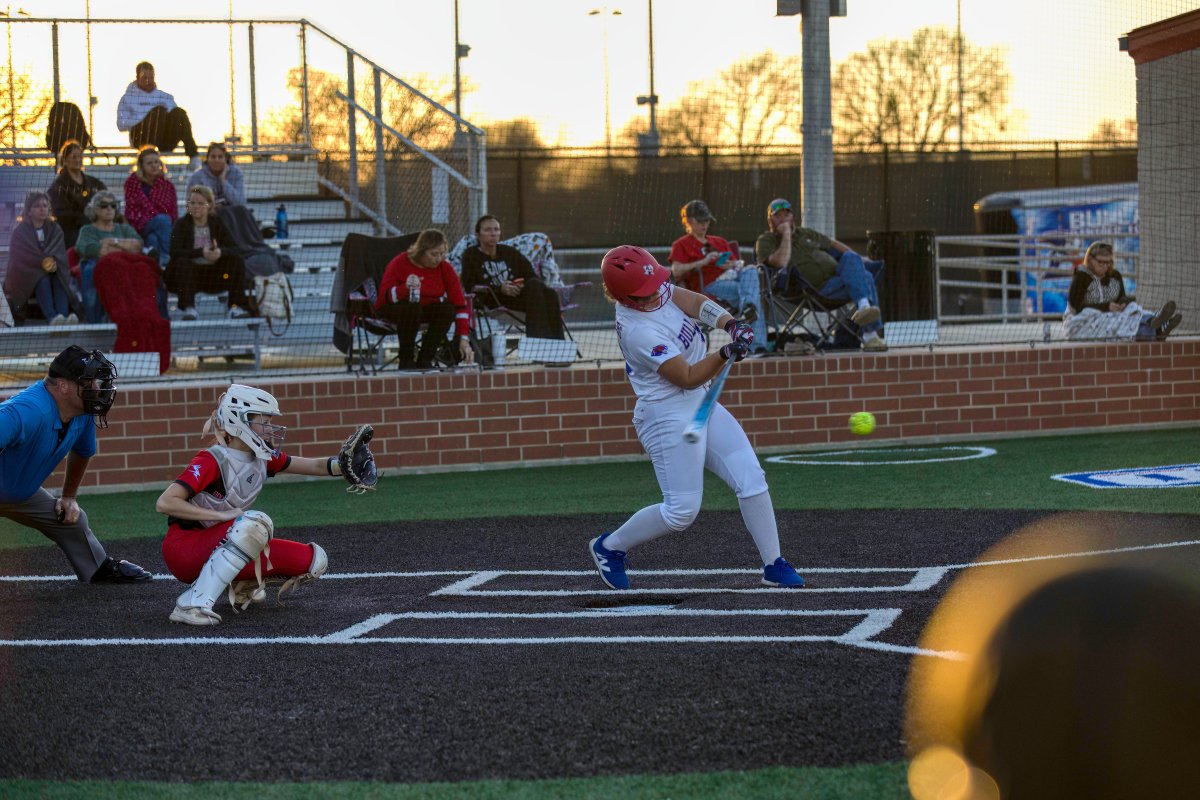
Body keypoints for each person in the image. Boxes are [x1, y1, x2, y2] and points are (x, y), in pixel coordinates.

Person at [588, 245, 805, 591]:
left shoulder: (650, 288)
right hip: (666, 414)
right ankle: (609, 547)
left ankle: (774, 564)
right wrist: (725, 352)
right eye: (645, 294)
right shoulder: (637, 330)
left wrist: (730, 324)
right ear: (624, 297)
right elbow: (686, 376)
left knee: (750, 477)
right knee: (681, 512)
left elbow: (689, 300)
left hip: (699, 400)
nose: (655, 294)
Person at [155, 384, 368, 625]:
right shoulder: (212, 460)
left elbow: (314, 465)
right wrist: (223, 516)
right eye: (264, 421)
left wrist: (344, 465)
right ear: (239, 420)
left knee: (314, 561)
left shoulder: (262, 456)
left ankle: (240, 583)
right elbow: (165, 502)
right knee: (255, 523)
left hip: (218, 542)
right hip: (184, 549)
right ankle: (191, 604)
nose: (270, 428)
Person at [0, 346, 152, 584]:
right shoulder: (26, 411)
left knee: (72, 519)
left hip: (18, 493)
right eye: (89, 381)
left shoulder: (82, 412)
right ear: (63, 386)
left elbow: (82, 452)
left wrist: (69, 496)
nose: (98, 388)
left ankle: (98, 568)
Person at [755, 197, 887, 352]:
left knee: (852, 257)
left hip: (839, 277)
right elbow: (781, 262)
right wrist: (786, 235)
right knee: (867, 278)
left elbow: (832, 243)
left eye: (786, 214)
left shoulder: (805, 233)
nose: (783, 219)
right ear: (770, 221)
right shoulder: (766, 241)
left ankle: (864, 306)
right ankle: (870, 335)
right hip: (816, 290)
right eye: (778, 216)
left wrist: (860, 259)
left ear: (792, 217)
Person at [669, 199, 766, 354]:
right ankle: (757, 343)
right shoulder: (682, 244)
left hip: (732, 278)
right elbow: (676, 270)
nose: (704, 224)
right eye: (700, 221)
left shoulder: (719, 241)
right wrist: (703, 262)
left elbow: (736, 264)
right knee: (752, 295)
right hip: (708, 286)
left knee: (751, 270)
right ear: (688, 221)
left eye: (706, 220)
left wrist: (729, 264)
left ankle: (749, 307)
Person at [375, 228, 475, 370]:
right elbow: (384, 298)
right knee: (412, 307)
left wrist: (463, 338)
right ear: (421, 251)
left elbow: (460, 304)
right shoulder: (400, 262)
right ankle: (406, 359)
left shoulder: (445, 267)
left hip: (425, 310)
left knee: (447, 309)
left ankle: (426, 359)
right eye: (434, 254)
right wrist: (405, 288)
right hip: (397, 309)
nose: (438, 259)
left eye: (442, 253)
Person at [460, 214, 564, 340]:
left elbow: (530, 275)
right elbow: (470, 285)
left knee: (549, 293)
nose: (493, 233)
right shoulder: (470, 255)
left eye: (496, 229)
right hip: (494, 300)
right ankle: (540, 342)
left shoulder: (509, 252)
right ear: (478, 234)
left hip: (520, 297)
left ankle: (557, 344)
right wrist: (500, 288)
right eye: (487, 230)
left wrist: (520, 285)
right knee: (541, 293)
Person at [1063, 240, 1182, 341]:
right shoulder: (1081, 276)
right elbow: (1075, 307)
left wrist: (1122, 303)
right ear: (1090, 260)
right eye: (1100, 262)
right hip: (1083, 320)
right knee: (1116, 324)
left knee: (1131, 309)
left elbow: (1121, 297)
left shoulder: (1115, 276)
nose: (1105, 266)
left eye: (1108, 262)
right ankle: (1158, 328)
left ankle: (1155, 321)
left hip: (1110, 314)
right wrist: (1106, 307)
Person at [167, 185, 252, 320]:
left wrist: (220, 252)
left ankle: (235, 308)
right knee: (182, 263)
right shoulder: (181, 224)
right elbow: (174, 252)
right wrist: (201, 253)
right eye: (192, 203)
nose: (196, 206)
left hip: (216, 277)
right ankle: (189, 309)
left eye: (201, 203)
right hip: (190, 278)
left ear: (210, 205)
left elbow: (235, 248)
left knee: (236, 261)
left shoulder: (217, 222)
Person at [74, 191, 151, 323]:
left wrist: (113, 242)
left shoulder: (124, 228)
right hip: (98, 266)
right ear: (95, 209)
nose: (109, 208)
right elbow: (92, 249)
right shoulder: (87, 230)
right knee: (92, 271)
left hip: (123, 265)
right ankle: (95, 320)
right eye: (104, 205)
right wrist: (124, 247)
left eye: (113, 205)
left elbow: (138, 245)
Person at [3, 190, 79, 325]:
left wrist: (53, 262)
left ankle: (63, 317)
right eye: (37, 206)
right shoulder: (19, 232)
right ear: (29, 210)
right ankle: (52, 318)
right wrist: (43, 262)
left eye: (45, 205)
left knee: (60, 277)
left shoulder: (55, 228)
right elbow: (19, 258)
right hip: (27, 275)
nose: (42, 209)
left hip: (53, 271)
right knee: (42, 278)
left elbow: (59, 252)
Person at [116, 61, 200, 172]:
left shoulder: (165, 97)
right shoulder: (127, 98)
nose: (148, 81)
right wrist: (146, 119)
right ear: (137, 77)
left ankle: (194, 157)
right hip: (141, 139)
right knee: (158, 111)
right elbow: (121, 125)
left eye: (151, 77)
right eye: (144, 78)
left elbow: (177, 121)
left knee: (180, 113)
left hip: (165, 141)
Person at [122, 146, 176, 269]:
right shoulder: (132, 183)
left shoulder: (167, 185)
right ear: (142, 166)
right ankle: (167, 260)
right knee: (163, 219)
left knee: (153, 239)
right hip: (139, 224)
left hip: (163, 228)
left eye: (156, 162)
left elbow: (173, 210)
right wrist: (155, 216)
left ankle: (156, 268)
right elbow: (132, 208)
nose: (154, 166)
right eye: (149, 163)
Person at [46, 140, 107, 248]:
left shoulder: (94, 182)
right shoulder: (59, 186)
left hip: (95, 228)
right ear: (65, 160)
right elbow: (61, 214)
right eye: (74, 157)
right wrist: (86, 218)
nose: (78, 160)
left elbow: (106, 196)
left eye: (80, 156)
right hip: (71, 234)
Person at [187, 141, 246, 208]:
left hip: (231, 213)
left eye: (220, 157)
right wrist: (212, 206)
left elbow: (240, 203)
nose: (216, 160)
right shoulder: (197, 177)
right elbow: (190, 204)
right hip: (207, 213)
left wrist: (223, 181)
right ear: (207, 159)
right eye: (213, 157)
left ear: (226, 159)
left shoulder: (236, 173)